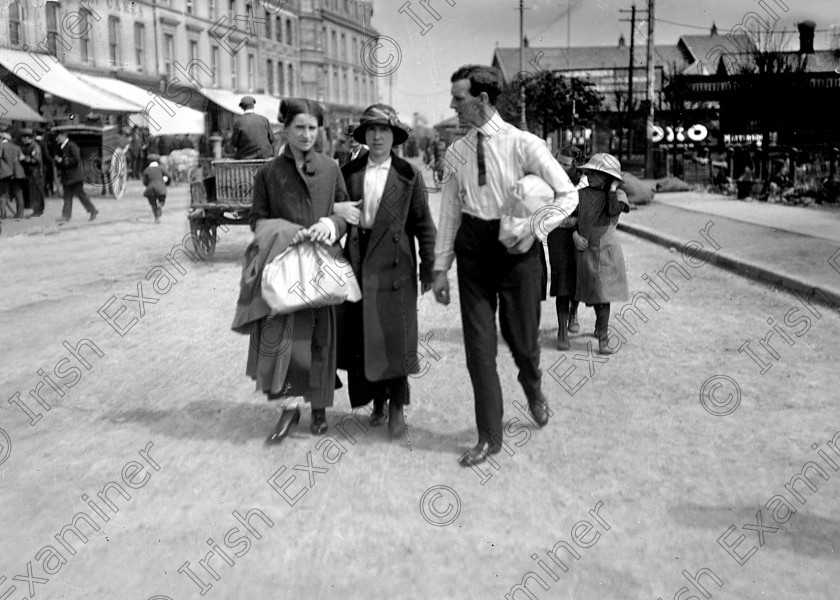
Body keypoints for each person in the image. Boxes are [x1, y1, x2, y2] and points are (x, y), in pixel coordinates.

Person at [432, 65, 578, 466]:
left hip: (519, 255)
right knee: (479, 350)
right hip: (474, 249)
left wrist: (534, 226)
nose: (452, 105)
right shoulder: (456, 151)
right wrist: (440, 267)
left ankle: (533, 387)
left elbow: (568, 195)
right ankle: (489, 437)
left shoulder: (524, 144)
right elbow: (448, 213)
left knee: (523, 342)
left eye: (458, 98)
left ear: (482, 100)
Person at [232, 98, 349, 444]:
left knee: (320, 336)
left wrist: (332, 224)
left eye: (313, 128)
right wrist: (284, 232)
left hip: (322, 263)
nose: (307, 134)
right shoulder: (269, 173)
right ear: (284, 129)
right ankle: (289, 408)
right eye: (299, 127)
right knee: (285, 339)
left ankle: (319, 409)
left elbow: (345, 213)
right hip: (284, 265)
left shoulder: (331, 168)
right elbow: (257, 219)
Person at [333, 104, 437, 439]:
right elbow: (334, 216)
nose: (377, 137)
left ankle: (396, 407)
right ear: (364, 136)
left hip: (396, 266)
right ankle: (376, 400)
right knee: (366, 336)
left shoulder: (408, 175)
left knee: (395, 339)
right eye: (371, 131)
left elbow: (424, 225)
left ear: (394, 136)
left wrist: (429, 270)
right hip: (360, 260)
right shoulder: (348, 172)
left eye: (384, 130)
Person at [572, 153, 630, 356]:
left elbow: (613, 210)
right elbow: (570, 217)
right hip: (585, 248)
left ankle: (603, 338)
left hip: (607, 251)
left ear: (609, 178)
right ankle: (577, 317)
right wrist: (574, 235)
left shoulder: (618, 195)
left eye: (598, 174)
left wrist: (612, 189)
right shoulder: (582, 194)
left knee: (603, 294)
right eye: (590, 173)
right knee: (588, 290)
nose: (592, 176)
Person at [547, 146, 586, 350]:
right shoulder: (549, 180)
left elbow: (589, 210)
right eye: (558, 162)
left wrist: (575, 222)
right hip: (558, 234)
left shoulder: (585, 183)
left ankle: (573, 312)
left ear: (576, 166)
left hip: (582, 232)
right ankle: (562, 330)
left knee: (578, 276)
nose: (560, 167)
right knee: (562, 277)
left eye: (565, 164)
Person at [54, 131, 98, 222]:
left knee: (81, 195)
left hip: (75, 177)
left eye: (58, 136)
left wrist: (62, 160)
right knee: (67, 196)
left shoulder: (72, 146)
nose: (57, 139)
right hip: (67, 177)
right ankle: (66, 216)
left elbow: (76, 160)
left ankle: (93, 210)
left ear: (63, 136)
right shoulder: (61, 147)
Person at [19, 128, 45, 218]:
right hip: (31, 173)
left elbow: (35, 160)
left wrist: (24, 158)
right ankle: (36, 211)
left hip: (36, 173)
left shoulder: (35, 146)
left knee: (37, 192)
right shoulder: (27, 146)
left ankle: (38, 211)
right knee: (33, 193)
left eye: (23, 138)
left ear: (27, 137)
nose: (22, 140)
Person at [0, 131, 26, 219]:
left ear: (2, 139)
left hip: (6, 173)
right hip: (17, 173)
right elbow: (22, 158)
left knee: (3, 194)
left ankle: (3, 214)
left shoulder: (1, 146)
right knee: (18, 193)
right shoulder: (17, 147)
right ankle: (20, 214)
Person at [141, 153, 171, 224]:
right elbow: (169, 176)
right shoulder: (161, 168)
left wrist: (148, 184)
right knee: (162, 200)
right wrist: (166, 183)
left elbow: (144, 181)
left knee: (153, 204)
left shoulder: (147, 170)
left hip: (150, 189)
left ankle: (156, 218)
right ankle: (160, 205)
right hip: (160, 188)